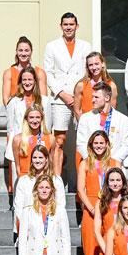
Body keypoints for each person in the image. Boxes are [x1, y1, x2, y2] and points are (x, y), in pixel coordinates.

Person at [43, 13, 90, 171]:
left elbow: (88, 71)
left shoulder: (86, 46)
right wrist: (63, 94)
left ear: (77, 26)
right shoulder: (52, 46)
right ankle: (56, 178)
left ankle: (82, 180)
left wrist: (77, 95)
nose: (68, 27)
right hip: (59, 99)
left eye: (71, 24)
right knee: (59, 140)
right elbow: (48, 73)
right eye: (65, 24)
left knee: (84, 137)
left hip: (81, 97)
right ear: (61, 26)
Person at [79, 131, 120, 255]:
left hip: (111, 210)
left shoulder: (114, 163)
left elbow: (122, 186)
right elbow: (81, 189)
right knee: (92, 252)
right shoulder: (85, 164)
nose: (98, 146)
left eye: (101, 143)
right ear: (90, 145)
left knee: (112, 250)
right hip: (91, 210)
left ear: (107, 144)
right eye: (95, 143)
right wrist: (91, 208)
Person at [75, 83, 128, 166]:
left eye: (96, 97)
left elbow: (127, 145)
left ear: (107, 98)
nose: (93, 100)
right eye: (92, 97)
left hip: (114, 167)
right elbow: (81, 143)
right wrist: (91, 161)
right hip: (92, 166)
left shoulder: (123, 119)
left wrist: (114, 160)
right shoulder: (85, 118)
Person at [10, 145, 64, 221]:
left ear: (46, 159)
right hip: (27, 225)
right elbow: (18, 206)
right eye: (34, 158)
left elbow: (61, 205)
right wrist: (25, 225)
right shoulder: (23, 181)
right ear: (31, 160)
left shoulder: (56, 180)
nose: (37, 161)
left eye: (41, 157)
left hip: (51, 224)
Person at [8, 105, 50, 194]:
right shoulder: (17, 139)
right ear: (26, 119)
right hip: (26, 182)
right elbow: (17, 166)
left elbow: (52, 163)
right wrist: (23, 183)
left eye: (38, 117)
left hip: (44, 183)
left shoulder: (50, 138)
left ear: (42, 119)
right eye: (31, 117)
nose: (34, 121)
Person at [1, 37, 48, 108]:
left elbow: (43, 98)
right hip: (15, 111)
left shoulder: (40, 73)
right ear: (16, 51)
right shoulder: (8, 73)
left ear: (31, 52)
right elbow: (6, 99)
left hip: (34, 113)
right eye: (20, 50)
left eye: (26, 50)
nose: (23, 53)